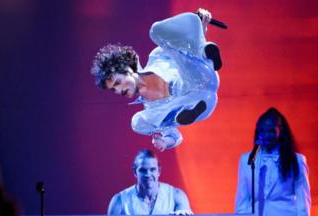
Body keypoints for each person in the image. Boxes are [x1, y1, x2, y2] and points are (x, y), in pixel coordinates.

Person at [91, 8, 222, 151]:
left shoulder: (157, 57)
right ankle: (190, 106)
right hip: (203, 100)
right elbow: (175, 136)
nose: (118, 90)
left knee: (157, 32)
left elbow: (186, 46)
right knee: (137, 123)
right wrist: (164, 142)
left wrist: (200, 25)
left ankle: (206, 51)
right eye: (113, 89)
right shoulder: (153, 113)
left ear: (128, 68)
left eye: (117, 82)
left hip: (201, 77)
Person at [235, 107, 311, 216]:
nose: (265, 135)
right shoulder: (246, 160)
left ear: (280, 131)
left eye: (271, 131)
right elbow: (242, 200)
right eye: (262, 130)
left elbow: (303, 201)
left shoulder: (297, 160)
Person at [107, 149, 193, 215]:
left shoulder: (177, 196)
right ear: (135, 172)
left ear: (159, 171)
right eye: (143, 170)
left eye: (152, 169)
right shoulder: (119, 201)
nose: (148, 174)